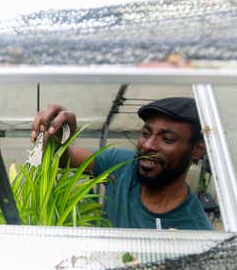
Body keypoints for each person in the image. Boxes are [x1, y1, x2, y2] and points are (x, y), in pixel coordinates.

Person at [31, 97, 212, 230]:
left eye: (168, 139)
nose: (148, 145)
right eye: (146, 134)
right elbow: (63, 159)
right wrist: (58, 137)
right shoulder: (122, 165)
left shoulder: (196, 229)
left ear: (197, 149)